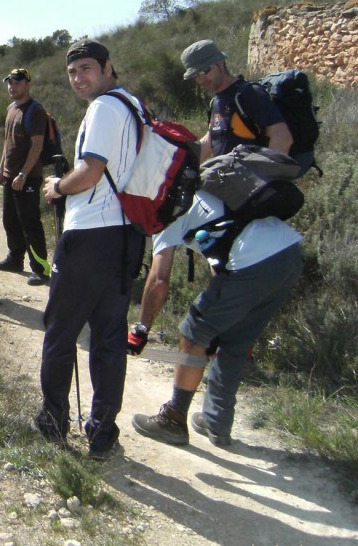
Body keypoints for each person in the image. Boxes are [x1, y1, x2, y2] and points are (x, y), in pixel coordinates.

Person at [37, 40, 146, 460]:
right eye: (72, 72)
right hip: (126, 236)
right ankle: (102, 431)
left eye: (86, 68)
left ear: (107, 67)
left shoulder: (103, 108)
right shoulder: (134, 106)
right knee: (109, 337)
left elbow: (90, 172)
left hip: (89, 236)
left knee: (60, 333)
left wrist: (56, 187)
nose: (78, 78)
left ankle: (53, 421)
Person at [129, 190, 302, 447]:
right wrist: (217, 323)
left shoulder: (167, 211)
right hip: (289, 254)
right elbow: (220, 255)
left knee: (192, 334)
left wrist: (140, 330)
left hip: (252, 261)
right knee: (235, 340)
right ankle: (216, 422)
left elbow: (158, 280)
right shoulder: (197, 194)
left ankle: (173, 420)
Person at [182, 39, 292, 161]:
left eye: (204, 71)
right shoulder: (215, 103)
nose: (201, 79)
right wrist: (177, 164)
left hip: (256, 177)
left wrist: (261, 175)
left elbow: (282, 138)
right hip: (228, 178)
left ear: (221, 63)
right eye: (195, 76)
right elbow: (211, 140)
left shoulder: (250, 94)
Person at [0, 68, 49, 285]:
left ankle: (41, 269)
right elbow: (8, 143)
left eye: (16, 82)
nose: (12, 86)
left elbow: (37, 145)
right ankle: (15, 259)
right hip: (9, 176)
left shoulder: (35, 111)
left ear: (27, 84)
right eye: (9, 83)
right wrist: (0, 168)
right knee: (10, 220)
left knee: (30, 223)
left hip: (28, 178)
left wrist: (24, 173)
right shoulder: (11, 108)